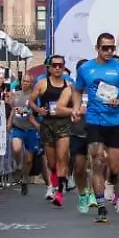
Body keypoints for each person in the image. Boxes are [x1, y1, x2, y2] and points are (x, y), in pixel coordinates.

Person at [73, 33, 119, 223]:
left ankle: (112, 183)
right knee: (96, 160)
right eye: (105, 48)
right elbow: (77, 90)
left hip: (116, 123)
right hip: (94, 121)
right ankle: (101, 206)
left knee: (115, 166)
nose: (109, 51)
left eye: (112, 48)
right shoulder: (86, 68)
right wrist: (77, 108)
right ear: (97, 48)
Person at [29, 55, 75, 207]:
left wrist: (73, 111)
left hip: (63, 124)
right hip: (47, 124)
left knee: (62, 158)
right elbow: (30, 101)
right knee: (52, 162)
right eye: (54, 65)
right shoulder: (42, 84)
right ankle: (55, 183)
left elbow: (76, 102)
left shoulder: (68, 85)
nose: (57, 68)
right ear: (48, 68)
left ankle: (60, 193)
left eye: (60, 65)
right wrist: (38, 110)